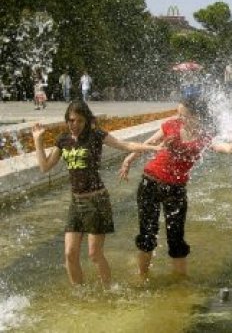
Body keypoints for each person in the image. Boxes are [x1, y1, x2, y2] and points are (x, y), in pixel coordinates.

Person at [32, 100, 162, 288]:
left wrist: (153, 148)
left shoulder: (95, 136)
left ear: (86, 121)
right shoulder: (63, 140)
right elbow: (45, 167)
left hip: (97, 201)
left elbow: (125, 145)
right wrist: (38, 139)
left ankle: (109, 290)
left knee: (94, 254)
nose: (74, 125)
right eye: (70, 120)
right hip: (76, 202)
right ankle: (79, 293)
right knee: (69, 253)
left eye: (78, 121)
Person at [119, 97, 232, 279]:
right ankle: (142, 277)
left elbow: (226, 148)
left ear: (197, 116)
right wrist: (129, 159)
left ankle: (179, 286)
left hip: (176, 190)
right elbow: (148, 143)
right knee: (147, 236)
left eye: (183, 115)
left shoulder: (204, 137)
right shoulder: (170, 126)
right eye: (178, 114)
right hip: (150, 183)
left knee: (176, 239)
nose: (179, 118)